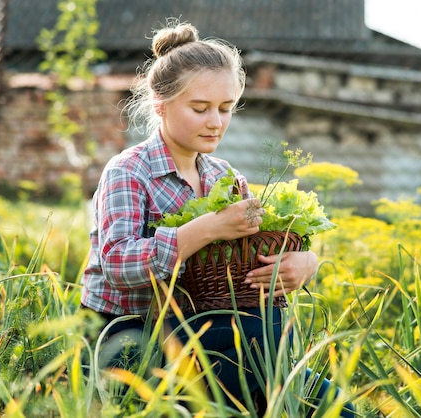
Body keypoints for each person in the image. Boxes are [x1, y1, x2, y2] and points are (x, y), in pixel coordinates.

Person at [80, 19, 354, 416]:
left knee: (265, 328)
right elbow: (118, 265)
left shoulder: (224, 177)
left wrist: (302, 263)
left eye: (226, 109)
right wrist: (207, 228)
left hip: (202, 328)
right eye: (200, 108)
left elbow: (256, 250)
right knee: (261, 349)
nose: (216, 122)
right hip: (125, 334)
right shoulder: (129, 171)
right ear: (161, 105)